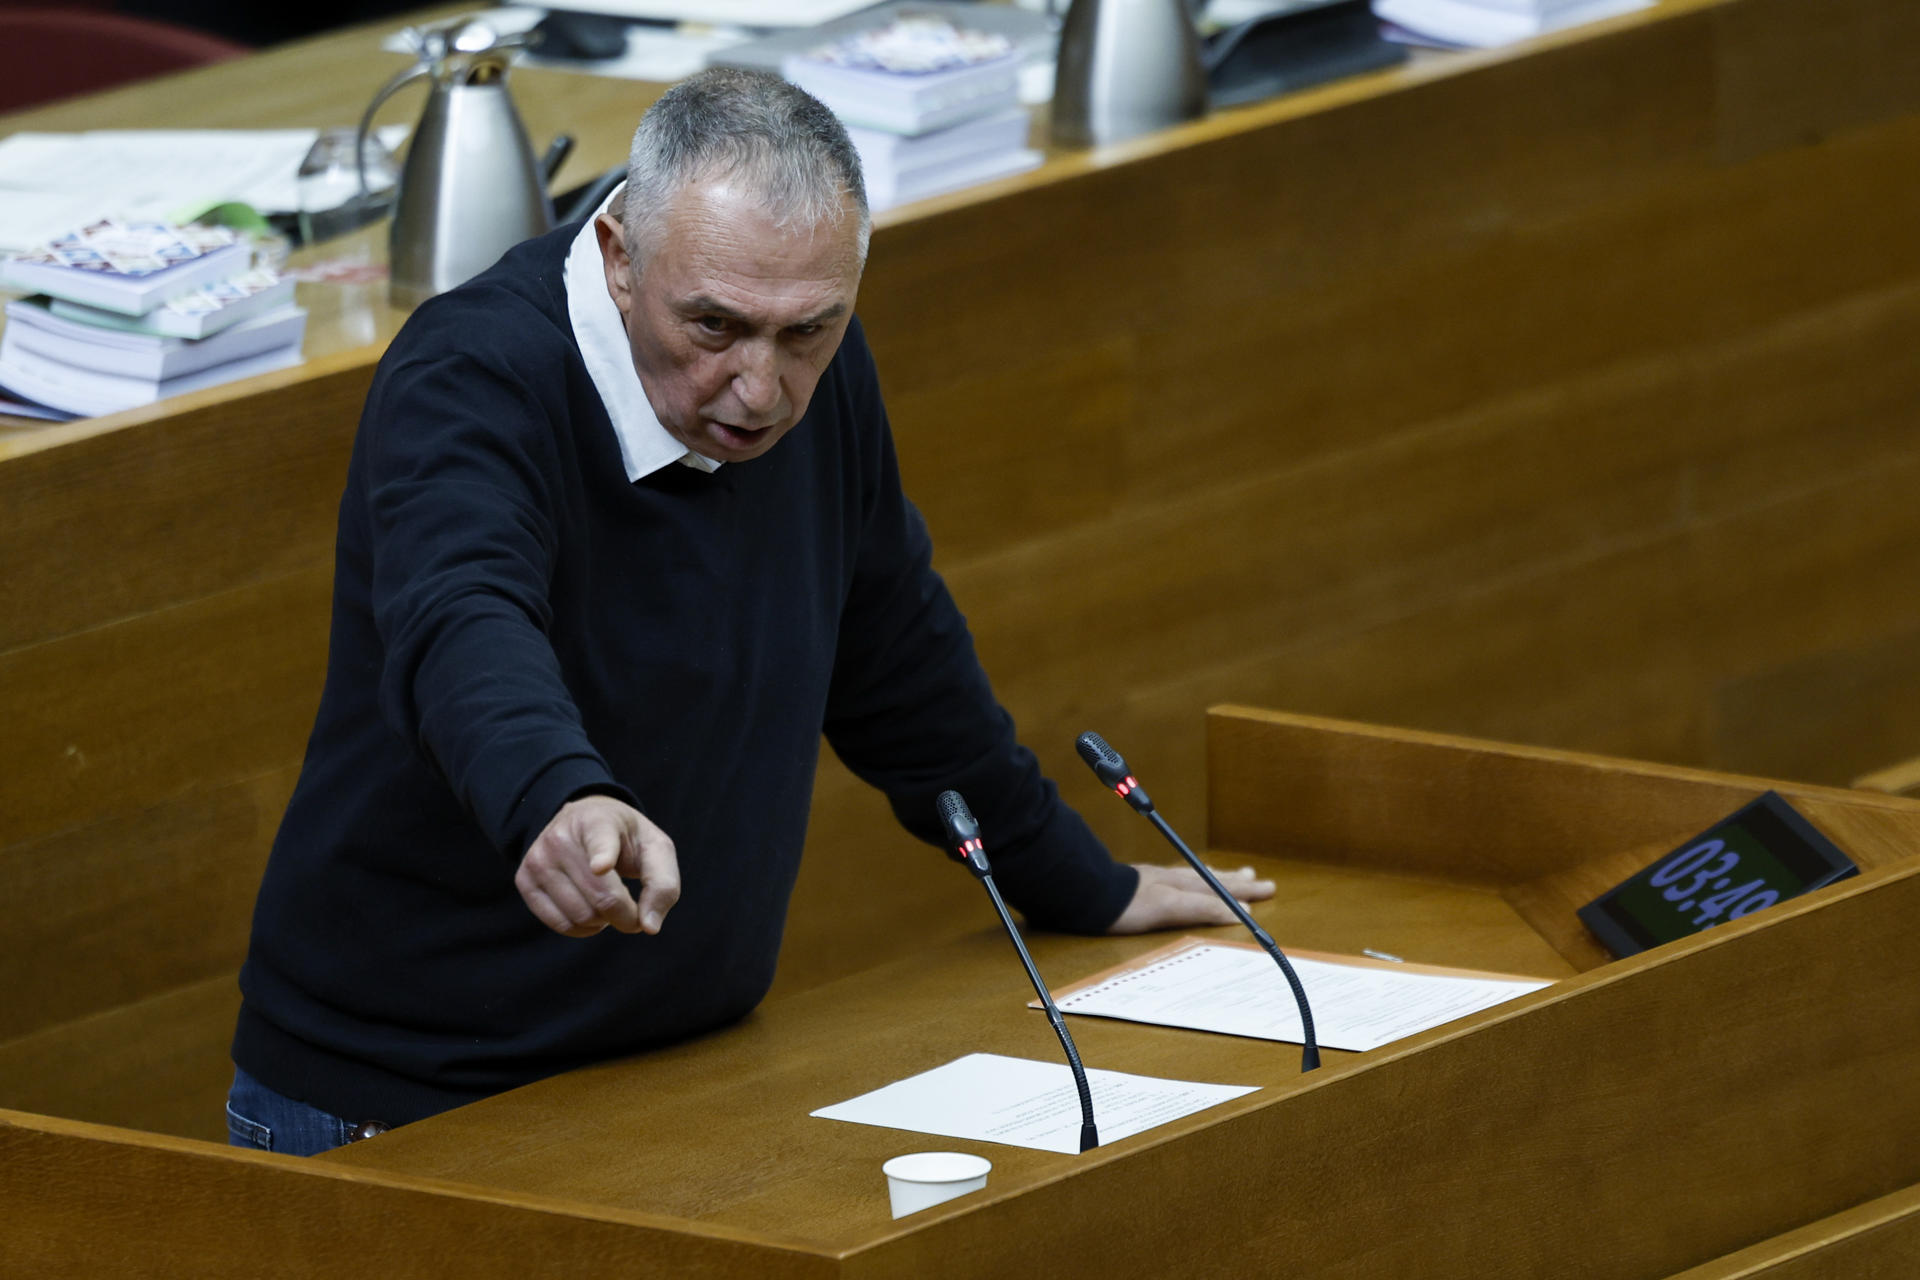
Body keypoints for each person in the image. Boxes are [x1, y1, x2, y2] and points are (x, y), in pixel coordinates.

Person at [228, 68, 1272, 1157]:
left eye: (806, 332)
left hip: (675, 1076)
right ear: (622, 256)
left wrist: (1074, 879)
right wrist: (553, 791)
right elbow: (462, 614)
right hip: (397, 1098)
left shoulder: (812, 373)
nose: (759, 388)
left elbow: (894, 656)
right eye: (714, 326)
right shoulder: (473, 374)